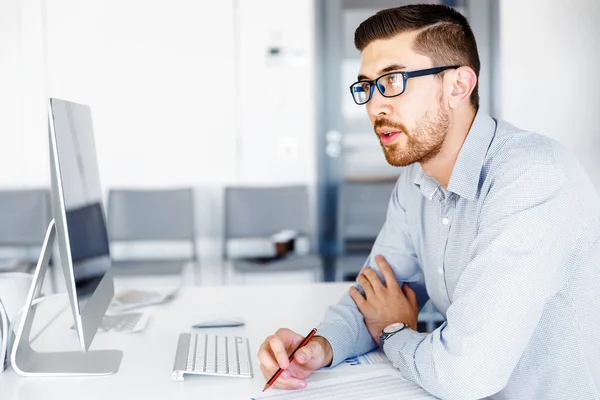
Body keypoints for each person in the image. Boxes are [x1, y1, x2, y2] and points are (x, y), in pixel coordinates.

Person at [257, 4, 600, 399]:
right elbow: (378, 292)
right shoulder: (415, 181)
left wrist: (393, 333)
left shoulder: (533, 178)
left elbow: (465, 375)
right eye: (367, 86)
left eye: (393, 81)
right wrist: (318, 348)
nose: (374, 106)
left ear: (458, 86)